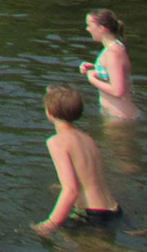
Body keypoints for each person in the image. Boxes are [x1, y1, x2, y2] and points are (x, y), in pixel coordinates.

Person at [33, 85, 122, 235]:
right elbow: (90, 176)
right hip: (115, 210)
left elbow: (71, 191)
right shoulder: (87, 138)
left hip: (93, 216)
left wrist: (49, 224)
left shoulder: (56, 142)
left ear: (49, 112)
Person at [77, 9, 140, 119]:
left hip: (120, 118)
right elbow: (115, 70)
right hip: (115, 115)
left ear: (102, 28)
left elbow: (117, 91)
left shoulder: (113, 53)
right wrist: (96, 68)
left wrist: (92, 78)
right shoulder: (115, 47)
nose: (87, 29)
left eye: (89, 25)